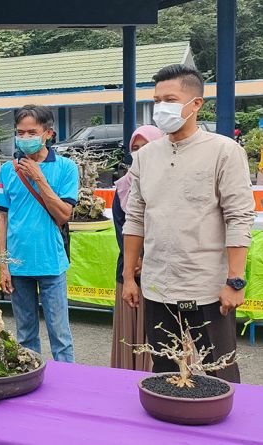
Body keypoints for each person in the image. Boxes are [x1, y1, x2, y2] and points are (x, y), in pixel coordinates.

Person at [123, 64, 255, 383]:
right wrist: (129, 276)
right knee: (165, 371)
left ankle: (220, 430)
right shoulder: (145, 156)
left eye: (169, 99)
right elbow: (135, 218)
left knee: (218, 372)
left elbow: (238, 216)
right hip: (158, 287)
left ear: (196, 104)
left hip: (207, 287)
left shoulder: (225, 152)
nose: (160, 108)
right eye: (156, 101)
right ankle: (169, 427)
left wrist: (235, 280)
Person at [0, 105, 79, 363]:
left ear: (48, 133)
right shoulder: (7, 170)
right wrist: (3, 265)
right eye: (20, 132)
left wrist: (40, 179)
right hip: (18, 265)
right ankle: (30, 379)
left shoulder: (66, 168)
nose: (25, 137)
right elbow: (2, 218)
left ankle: (67, 383)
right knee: (25, 334)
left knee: (60, 334)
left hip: (51, 262)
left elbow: (64, 214)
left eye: (32, 132)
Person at [110, 125, 163, 371]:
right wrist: (135, 261)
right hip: (130, 271)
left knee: (162, 333)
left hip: (164, 270)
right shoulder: (122, 186)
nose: (141, 152)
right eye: (135, 148)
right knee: (132, 331)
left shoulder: (170, 180)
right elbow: (122, 227)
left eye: (147, 146)